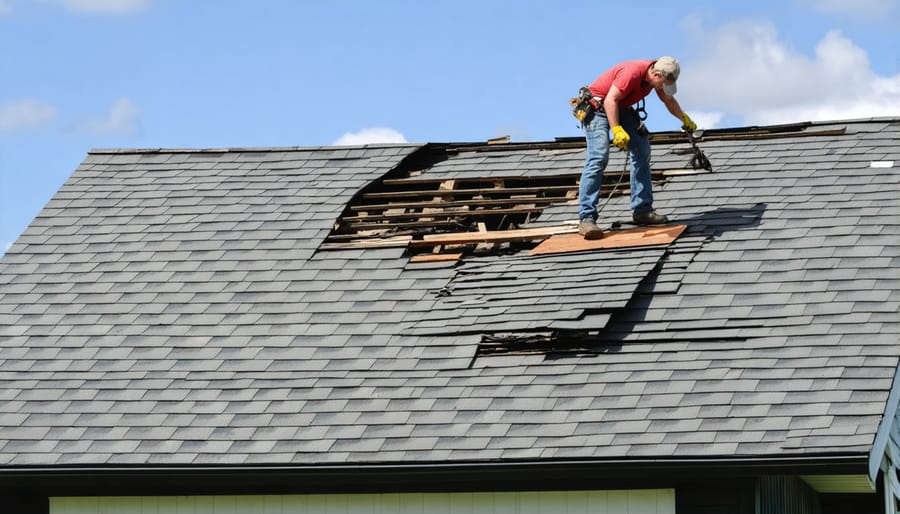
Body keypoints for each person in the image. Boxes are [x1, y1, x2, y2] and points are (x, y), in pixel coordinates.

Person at [576, 56, 697, 240]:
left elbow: (668, 100)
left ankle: (642, 210)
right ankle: (586, 218)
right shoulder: (632, 73)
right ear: (656, 74)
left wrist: (684, 118)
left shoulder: (655, 77)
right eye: (662, 83)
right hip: (597, 106)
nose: (661, 88)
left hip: (620, 105)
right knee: (599, 156)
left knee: (641, 149)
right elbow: (610, 101)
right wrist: (616, 129)